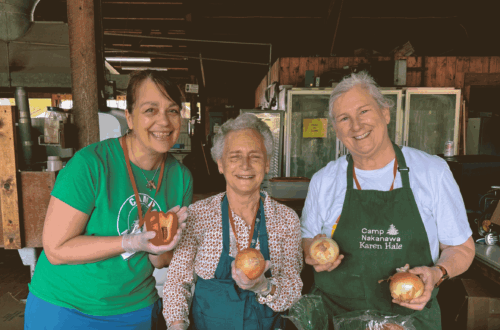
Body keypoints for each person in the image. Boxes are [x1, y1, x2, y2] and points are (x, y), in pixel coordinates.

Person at [301, 71, 475, 329]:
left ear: (385, 113)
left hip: (409, 320)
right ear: (336, 130)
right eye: (344, 118)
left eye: (363, 111)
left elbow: (462, 249)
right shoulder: (324, 180)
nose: (356, 126)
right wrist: (314, 254)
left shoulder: (431, 172)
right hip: (337, 319)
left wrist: (437, 273)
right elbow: (308, 240)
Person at [24, 70, 193, 330]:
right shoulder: (91, 164)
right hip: (64, 306)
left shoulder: (180, 178)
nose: (164, 121)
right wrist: (130, 242)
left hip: (133, 309)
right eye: (150, 110)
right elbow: (56, 250)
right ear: (130, 117)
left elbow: (159, 259)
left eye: (172, 110)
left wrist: (162, 245)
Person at [163, 113, 303, 330]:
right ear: (220, 164)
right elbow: (177, 282)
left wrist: (264, 287)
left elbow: (293, 289)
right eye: (235, 156)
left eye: (255, 156)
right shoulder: (199, 215)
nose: (245, 166)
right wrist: (176, 325)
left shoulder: (286, 219)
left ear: (266, 164)